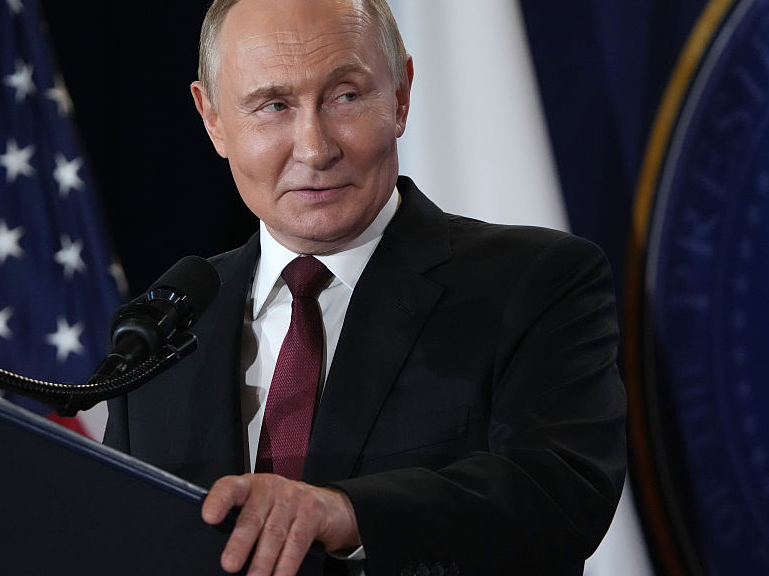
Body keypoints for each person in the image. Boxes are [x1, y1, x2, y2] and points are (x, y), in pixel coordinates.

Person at [104, 0, 627, 574]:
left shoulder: (535, 281)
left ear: (400, 95)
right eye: (274, 106)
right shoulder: (161, 332)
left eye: (346, 96)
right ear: (213, 119)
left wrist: (346, 512)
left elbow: (560, 490)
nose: (315, 148)